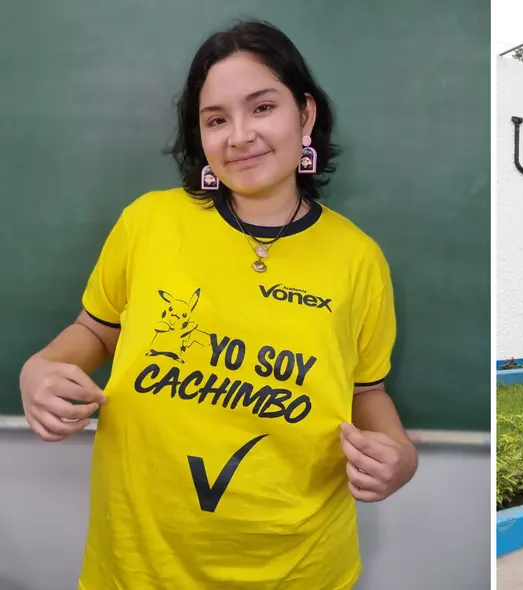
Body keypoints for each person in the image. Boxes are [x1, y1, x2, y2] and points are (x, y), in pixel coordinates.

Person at [17, 19, 418, 590]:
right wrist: (40, 368)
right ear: (200, 135)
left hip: (298, 564)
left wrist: (401, 454)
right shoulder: (149, 223)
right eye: (216, 119)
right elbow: (97, 328)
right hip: (137, 561)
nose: (240, 135)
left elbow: (366, 389)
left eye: (261, 108)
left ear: (305, 116)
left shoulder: (360, 260)